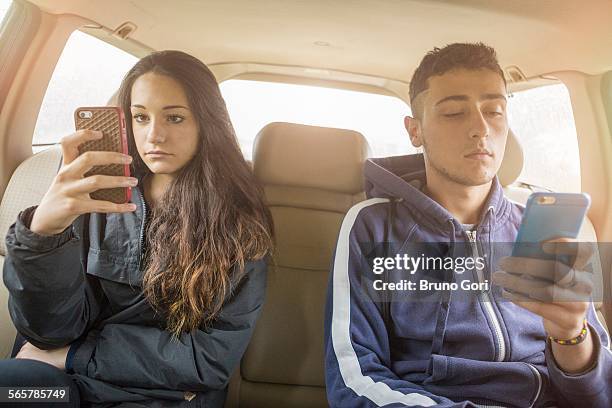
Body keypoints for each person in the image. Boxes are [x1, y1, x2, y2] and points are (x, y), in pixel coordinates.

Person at [324, 43, 611, 407]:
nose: (480, 128)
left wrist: (572, 335)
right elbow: (353, 380)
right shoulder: (372, 226)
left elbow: (599, 392)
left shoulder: (541, 229)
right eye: (454, 112)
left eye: (494, 111)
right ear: (415, 131)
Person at [1, 50, 274, 407]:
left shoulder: (240, 224)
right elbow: (48, 331)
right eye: (140, 117)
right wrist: (44, 234)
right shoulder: (93, 194)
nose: (154, 135)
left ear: (207, 123)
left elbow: (208, 358)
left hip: (161, 395)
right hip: (63, 381)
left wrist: (72, 355)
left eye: (174, 118)